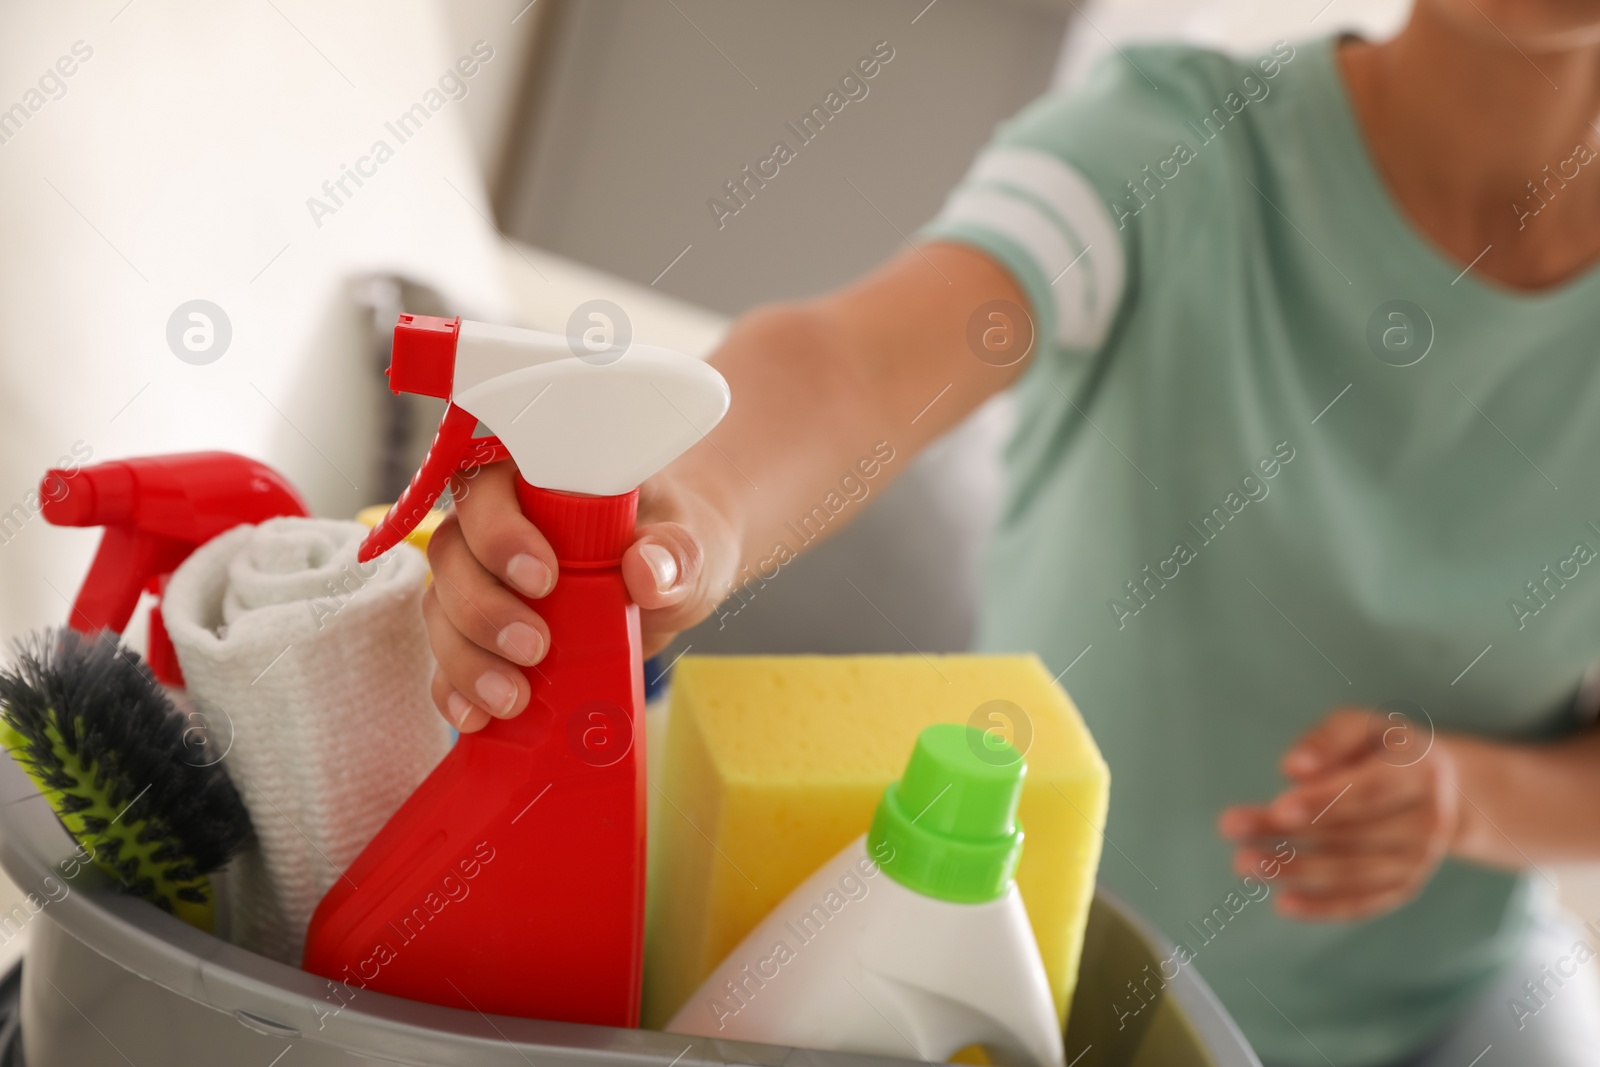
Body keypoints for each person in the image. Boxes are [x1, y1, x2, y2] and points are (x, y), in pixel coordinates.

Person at [420, 2, 1600, 1064]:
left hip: (1452, 1022)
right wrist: (687, 505)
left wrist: (1465, 796)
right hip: (1031, 984)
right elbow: (857, 364)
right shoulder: (1172, 148)